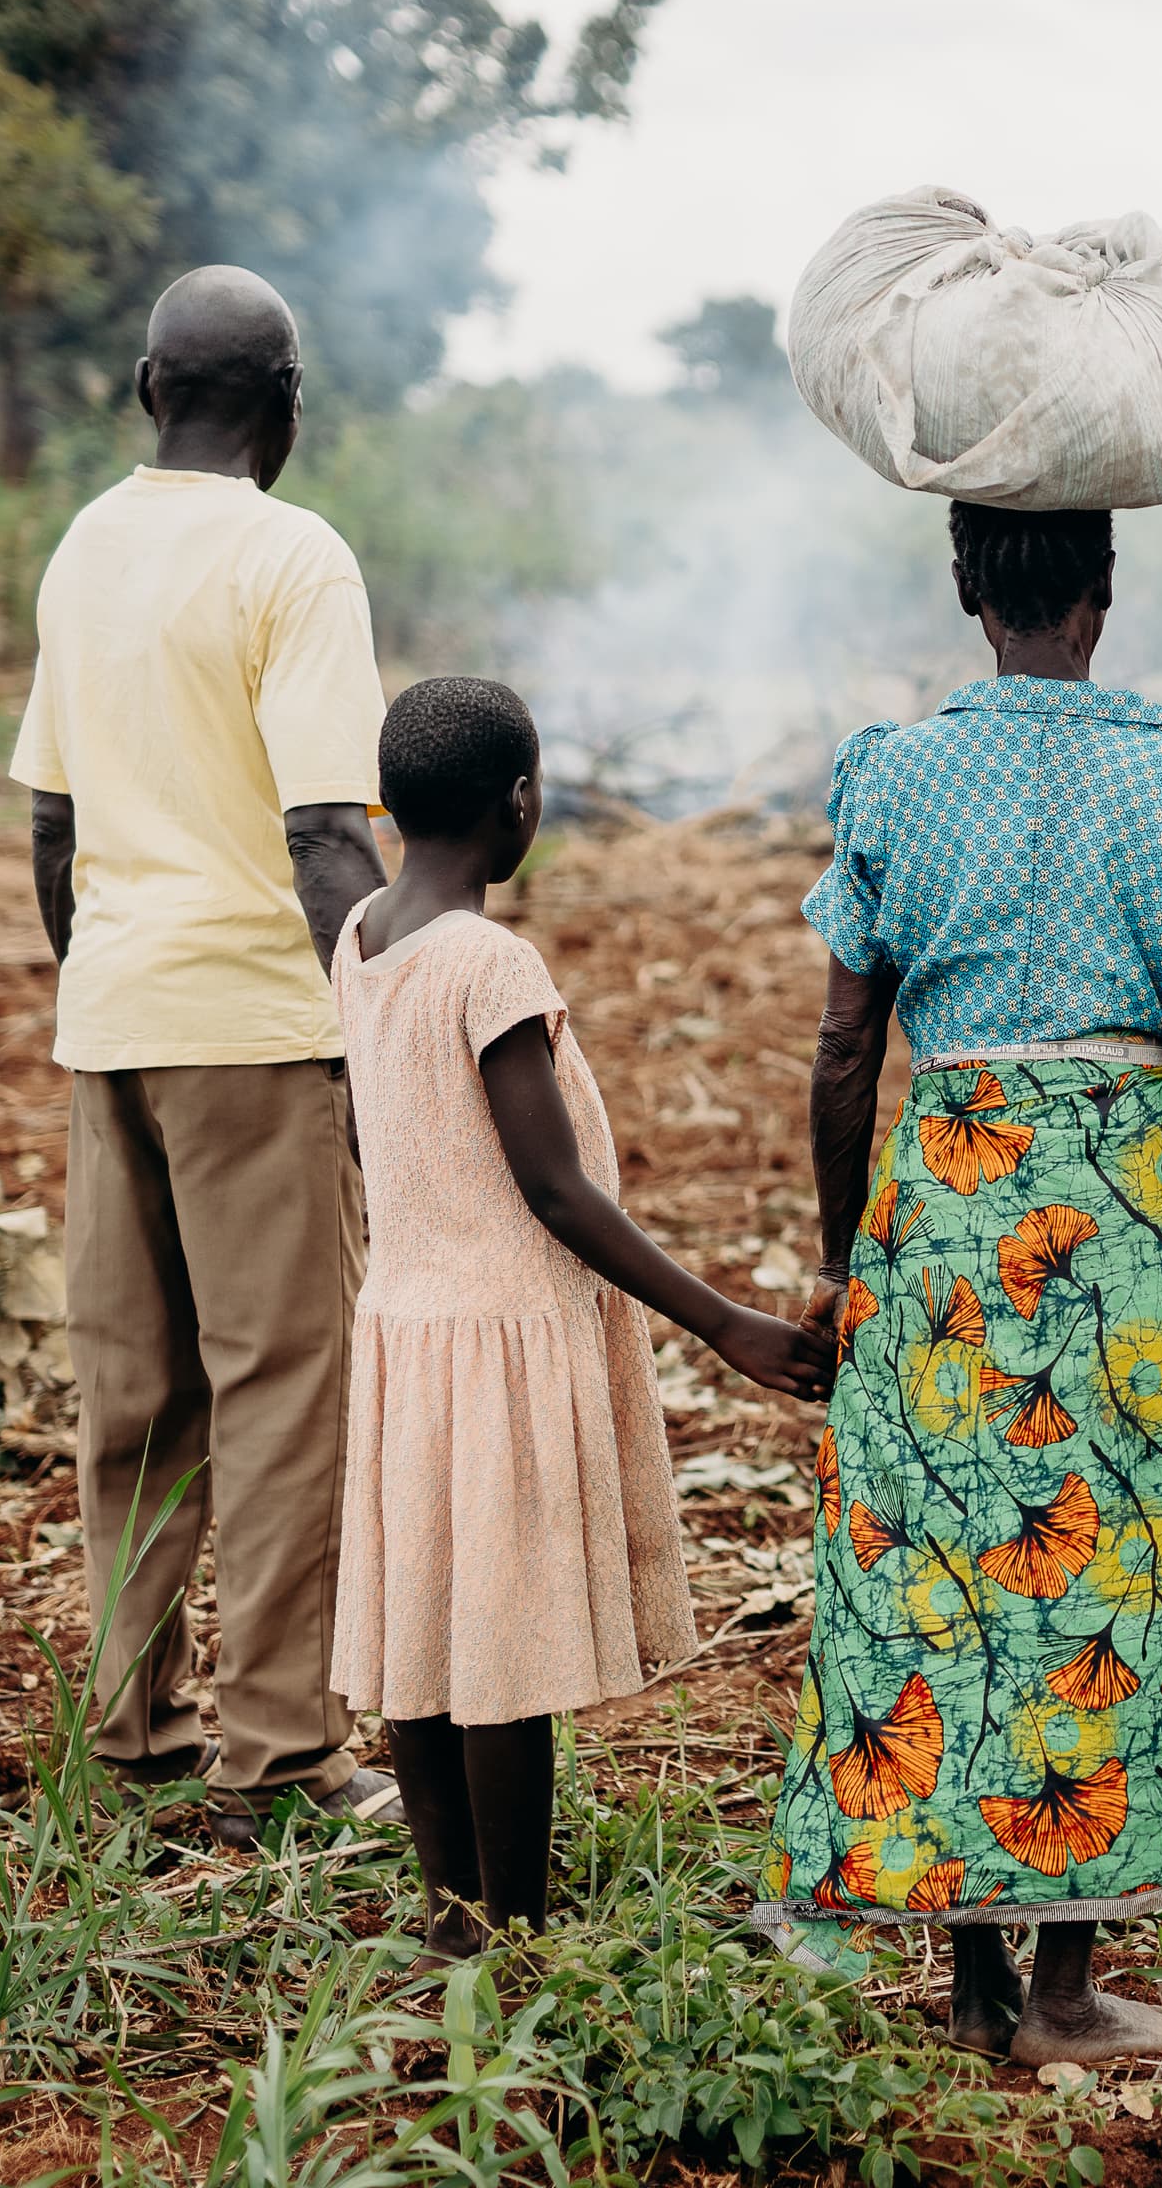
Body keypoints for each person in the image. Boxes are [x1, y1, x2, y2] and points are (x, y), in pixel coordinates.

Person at [766, 502, 1162, 2065]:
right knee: (1114, 1567)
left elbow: (847, 1044)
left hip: (945, 1216)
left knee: (943, 1562)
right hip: (1124, 1227)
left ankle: (970, 1983)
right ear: (1107, 589)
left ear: (962, 587)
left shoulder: (890, 776)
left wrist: (836, 1251)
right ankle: (1066, 1991)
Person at [330, 676, 836, 1953]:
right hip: (495, 1337)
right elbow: (553, 1187)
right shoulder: (491, 961)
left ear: (389, 809)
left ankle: (454, 1921)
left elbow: (375, 1123)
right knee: (498, 1652)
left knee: (429, 1633)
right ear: (520, 803)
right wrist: (723, 1321)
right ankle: (517, 1929)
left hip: (407, 1325)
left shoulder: (363, 940)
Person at [11, 265, 398, 1850]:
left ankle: (136, 1732)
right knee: (288, 1394)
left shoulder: (86, 544)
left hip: (113, 1025)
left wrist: (107, 979)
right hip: (253, 1026)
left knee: (138, 1396)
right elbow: (327, 836)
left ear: (146, 385)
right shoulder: (292, 556)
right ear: (288, 406)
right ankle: (281, 1755)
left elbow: (52, 825)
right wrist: (396, 1042)